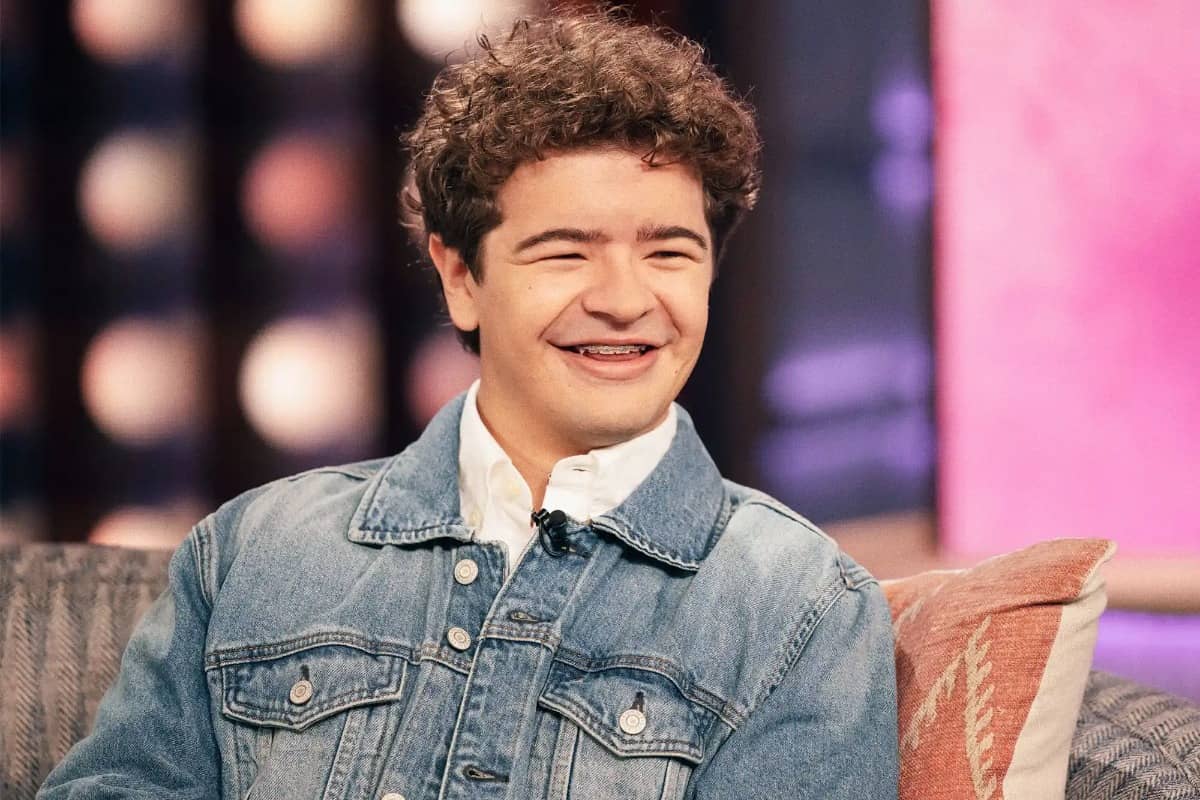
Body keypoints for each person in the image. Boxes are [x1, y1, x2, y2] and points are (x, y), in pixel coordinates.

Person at [40, 10, 898, 799]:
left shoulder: (801, 607)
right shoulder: (252, 550)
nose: (625, 300)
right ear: (460, 277)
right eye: (565, 253)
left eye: (669, 253)